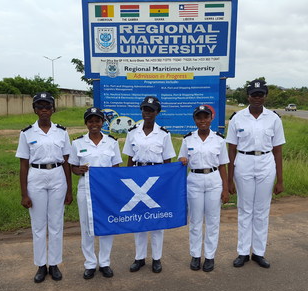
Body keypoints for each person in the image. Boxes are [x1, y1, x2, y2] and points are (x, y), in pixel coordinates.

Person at [226, 79, 285, 268]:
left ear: (265, 96)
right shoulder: (237, 118)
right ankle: (243, 252)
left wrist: (280, 180)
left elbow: (277, 150)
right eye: (254, 95)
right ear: (248, 96)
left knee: (261, 210)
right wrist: (229, 180)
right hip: (243, 162)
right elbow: (231, 150)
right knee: (245, 209)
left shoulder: (274, 118)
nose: (257, 98)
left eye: (261, 95)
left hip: (266, 163)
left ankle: (259, 252)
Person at [16, 92, 73, 283]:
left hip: (57, 176)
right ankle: (41, 265)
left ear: (53, 109)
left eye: (47, 107)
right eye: (40, 107)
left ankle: (54, 264)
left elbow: (66, 162)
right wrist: (24, 194)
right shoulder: (26, 133)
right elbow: (24, 165)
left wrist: (69, 190)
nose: (44, 110)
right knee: (38, 225)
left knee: (56, 223)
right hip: (37, 177)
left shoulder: (62, 132)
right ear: (34, 110)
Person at [122, 96, 176, 273]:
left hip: (156, 179)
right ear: (141, 111)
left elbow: (168, 161)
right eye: (145, 109)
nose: (148, 113)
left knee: (156, 219)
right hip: (137, 177)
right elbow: (129, 159)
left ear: (157, 112)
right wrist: (127, 181)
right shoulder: (132, 132)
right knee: (139, 219)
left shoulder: (164, 134)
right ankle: (139, 258)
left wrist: (167, 185)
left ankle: (156, 258)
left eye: (151, 110)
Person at [68, 107, 122, 279]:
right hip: (86, 188)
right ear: (86, 123)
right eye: (90, 121)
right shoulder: (77, 143)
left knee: (107, 225)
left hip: (106, 190)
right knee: (87, 226)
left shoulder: (112, 142)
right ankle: (90, 263)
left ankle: (105, 262)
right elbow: (73, 168)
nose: (94, 124)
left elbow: (116, 169)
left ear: (102, 122)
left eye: (97, 120)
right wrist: (79, 169)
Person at [178, 105, 230, 272]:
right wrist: (182, 160)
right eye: (199, 117)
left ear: (211, 118)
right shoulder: (188, 139)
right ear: (195, 120)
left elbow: (223, 165)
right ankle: (195, 255)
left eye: (205, 117)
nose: (202, 120)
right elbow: (182, 160)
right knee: (195, 220)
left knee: (213, 220)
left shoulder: (219, 139)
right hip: (194, 180)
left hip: (214, 179)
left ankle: (209, 256)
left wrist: (225, 188)